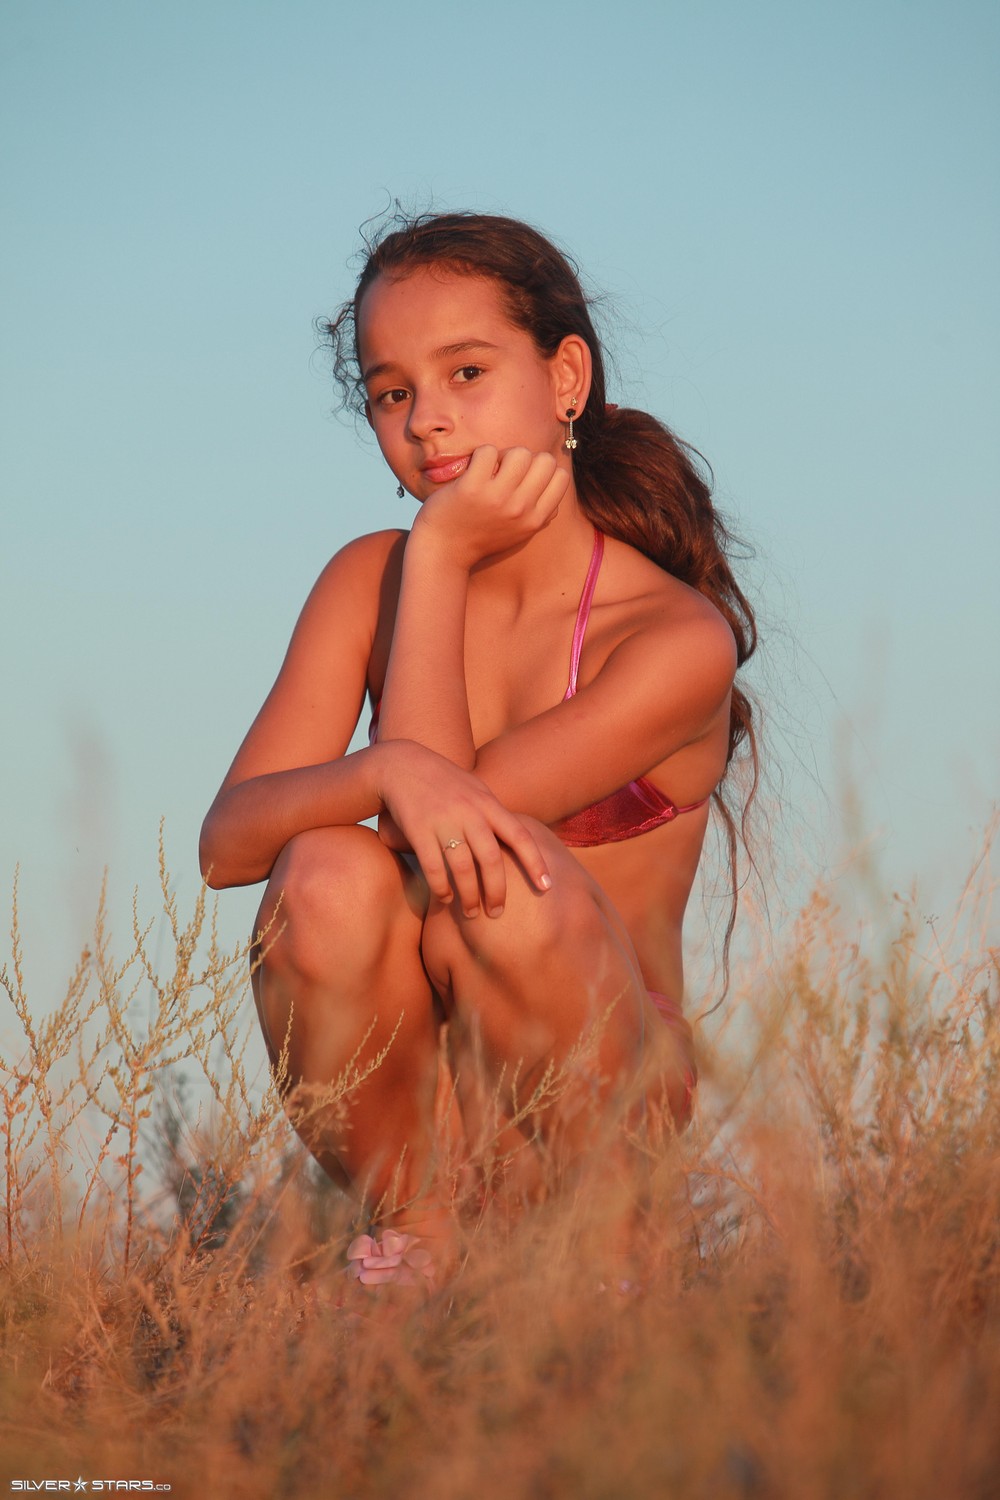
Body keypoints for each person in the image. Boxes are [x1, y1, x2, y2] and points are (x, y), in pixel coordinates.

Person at [199, 211, 757, 1288]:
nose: (428, 421)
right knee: (322, 871)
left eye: (466, 372)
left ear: (565, 378)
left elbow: (448, 829)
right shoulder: (367, 580)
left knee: (500, 881)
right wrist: (377, 766)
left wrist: (443, 554)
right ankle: (417, 1248)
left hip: (599, 1103)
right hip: (425, 1111)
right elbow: (227, 847)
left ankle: (606, 1268)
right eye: (391, 393)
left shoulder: (671, 639)